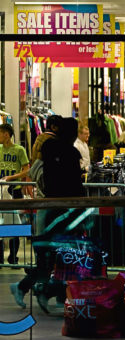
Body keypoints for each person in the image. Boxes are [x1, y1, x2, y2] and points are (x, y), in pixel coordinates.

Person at [11, 118, 86, 313]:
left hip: (50, 206)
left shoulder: (48, 148)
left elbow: (41, 175)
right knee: (63, 256)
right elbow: (75, 184)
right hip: (64, 210)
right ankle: (41, 290)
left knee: (54, 256)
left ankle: (51, 293)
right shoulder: (69, 152)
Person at [0, 123, 30, 267]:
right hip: (1, 190)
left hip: (15, 189)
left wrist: (12, 177)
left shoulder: (19, 150)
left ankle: (13, 256)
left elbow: (27, 170)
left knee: (15, 224)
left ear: (6, 134)